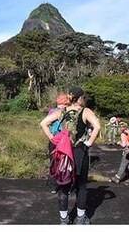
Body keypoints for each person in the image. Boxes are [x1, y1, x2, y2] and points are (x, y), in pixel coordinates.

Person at [41, 86, 101, 225]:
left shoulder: (61, 111)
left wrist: (53, 139)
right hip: (80, 151)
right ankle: (80, 218)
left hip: (64, 152)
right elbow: (97, 126)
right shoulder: (85, 111)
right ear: (80, 99)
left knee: (64, 185)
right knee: (81, 185)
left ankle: (64, 219)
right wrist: (88, 143)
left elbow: (43, 123)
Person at [47, 94, 70, 193]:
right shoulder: (65, 112)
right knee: (65, 163)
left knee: (54, 162)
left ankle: (54, 186)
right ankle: (64, 185)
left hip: (54, 139)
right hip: (62, 140)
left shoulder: (52, 111)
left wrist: (51, 137)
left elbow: (46, 124)